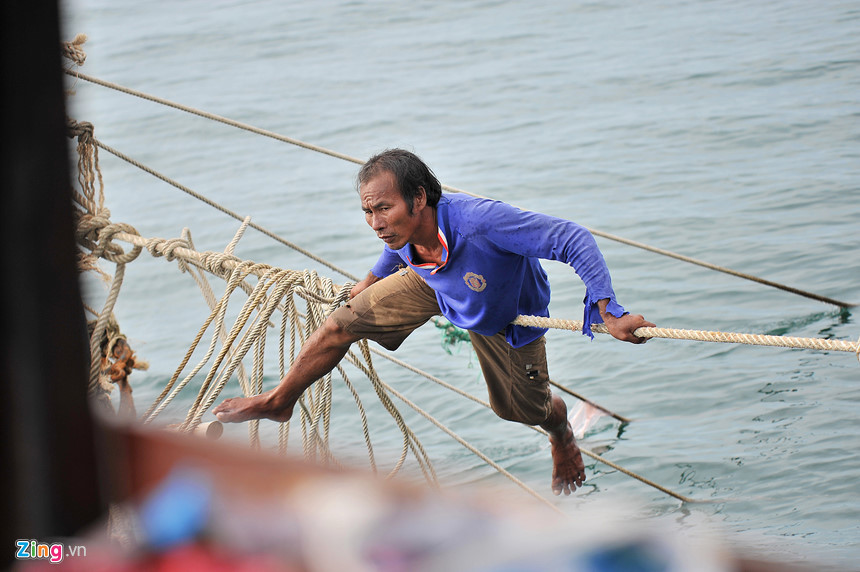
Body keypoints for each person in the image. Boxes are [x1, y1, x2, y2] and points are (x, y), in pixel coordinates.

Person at [214, 149, 654, 496]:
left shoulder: (481, 222)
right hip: (435, 285)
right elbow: (395, 248)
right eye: (368, 212)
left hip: (503, 318)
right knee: (341, 324)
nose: (376, 223)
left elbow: (571, 238)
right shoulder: (401, 232)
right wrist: (369, 280)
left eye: (384, 209)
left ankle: (561, 432)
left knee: (518, 410)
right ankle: (279, 402)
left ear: (420, 198)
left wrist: (607, 309)